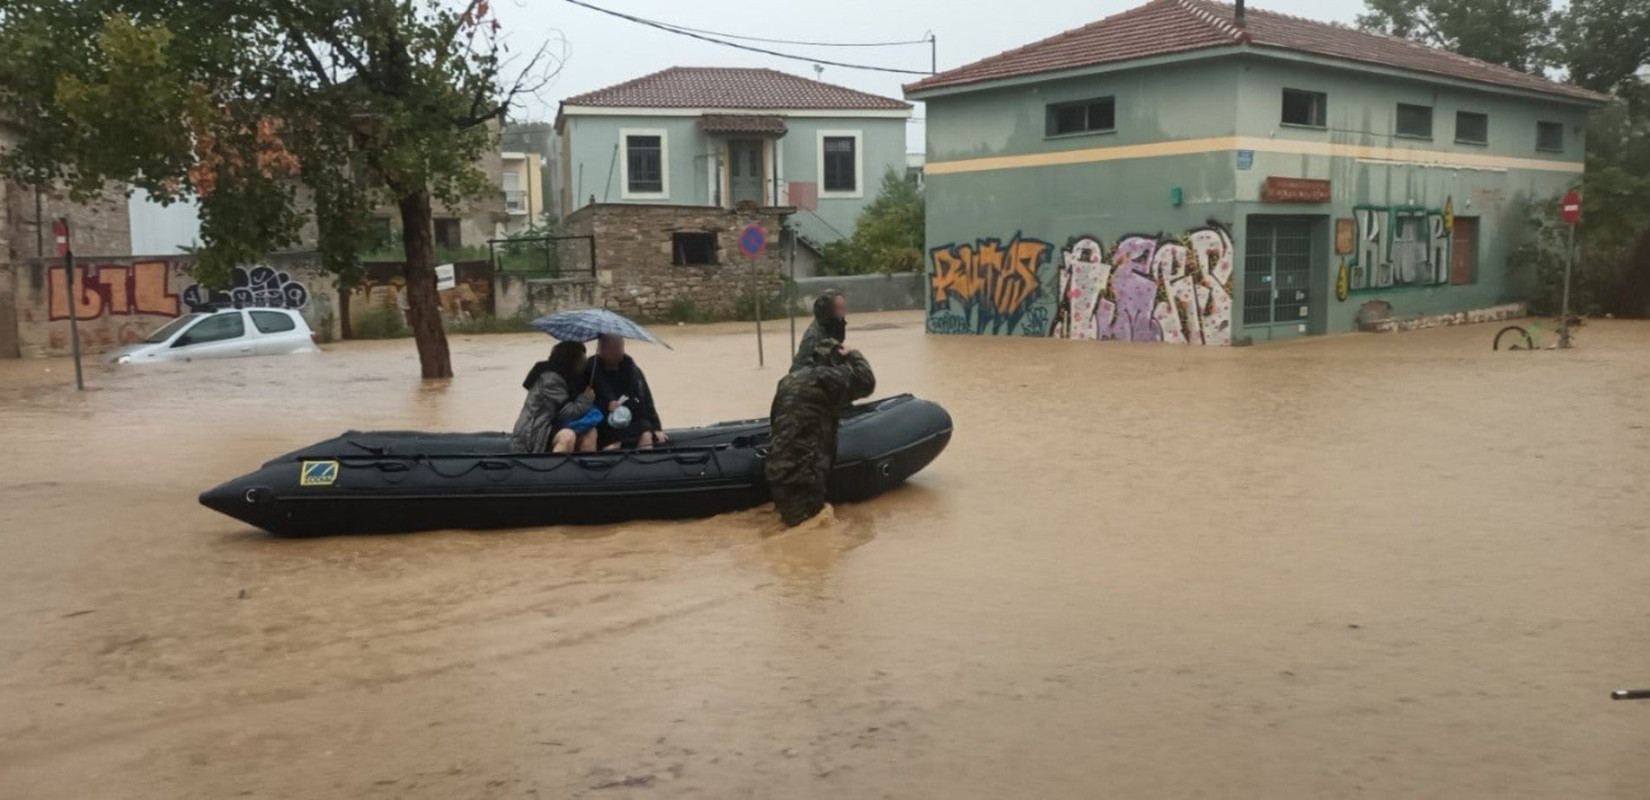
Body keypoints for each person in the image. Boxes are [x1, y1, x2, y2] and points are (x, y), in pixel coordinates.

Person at [765, 338, 876, 527]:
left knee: (791, 528)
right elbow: (867, 381)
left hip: (776, 471)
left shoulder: (786, 381)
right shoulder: (826, 379)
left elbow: (774, 420)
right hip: (803, 476)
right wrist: (853, 354)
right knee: (807, 536)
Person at [510, 341, 600, 454]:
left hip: (552, 426)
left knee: (590, 432)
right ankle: (555, 471)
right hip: (535, 432)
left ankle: (586, 470)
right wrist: (586, 399)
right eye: (581, 360)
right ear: (570, 361)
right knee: (567, 436)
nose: (584, 363)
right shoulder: (550, 380)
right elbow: (568, 413)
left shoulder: (570, 377)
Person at [590, 334, 667, 450]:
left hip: (631, 419)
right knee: (613, 443)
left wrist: (656, 427)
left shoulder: (632, 370)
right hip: (604, 421)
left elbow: (646, 399)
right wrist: (607, 404)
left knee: (646, 434)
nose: (618, 352)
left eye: (619, 348)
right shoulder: (591, 371)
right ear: (602, 350)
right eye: (613, 349)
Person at [791, 290, 847, 373]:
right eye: (838, 308)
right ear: (827, 310)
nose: (842, 313)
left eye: (843, 308)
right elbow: (800, 368)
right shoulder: (814, 336)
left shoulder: (834, 327)